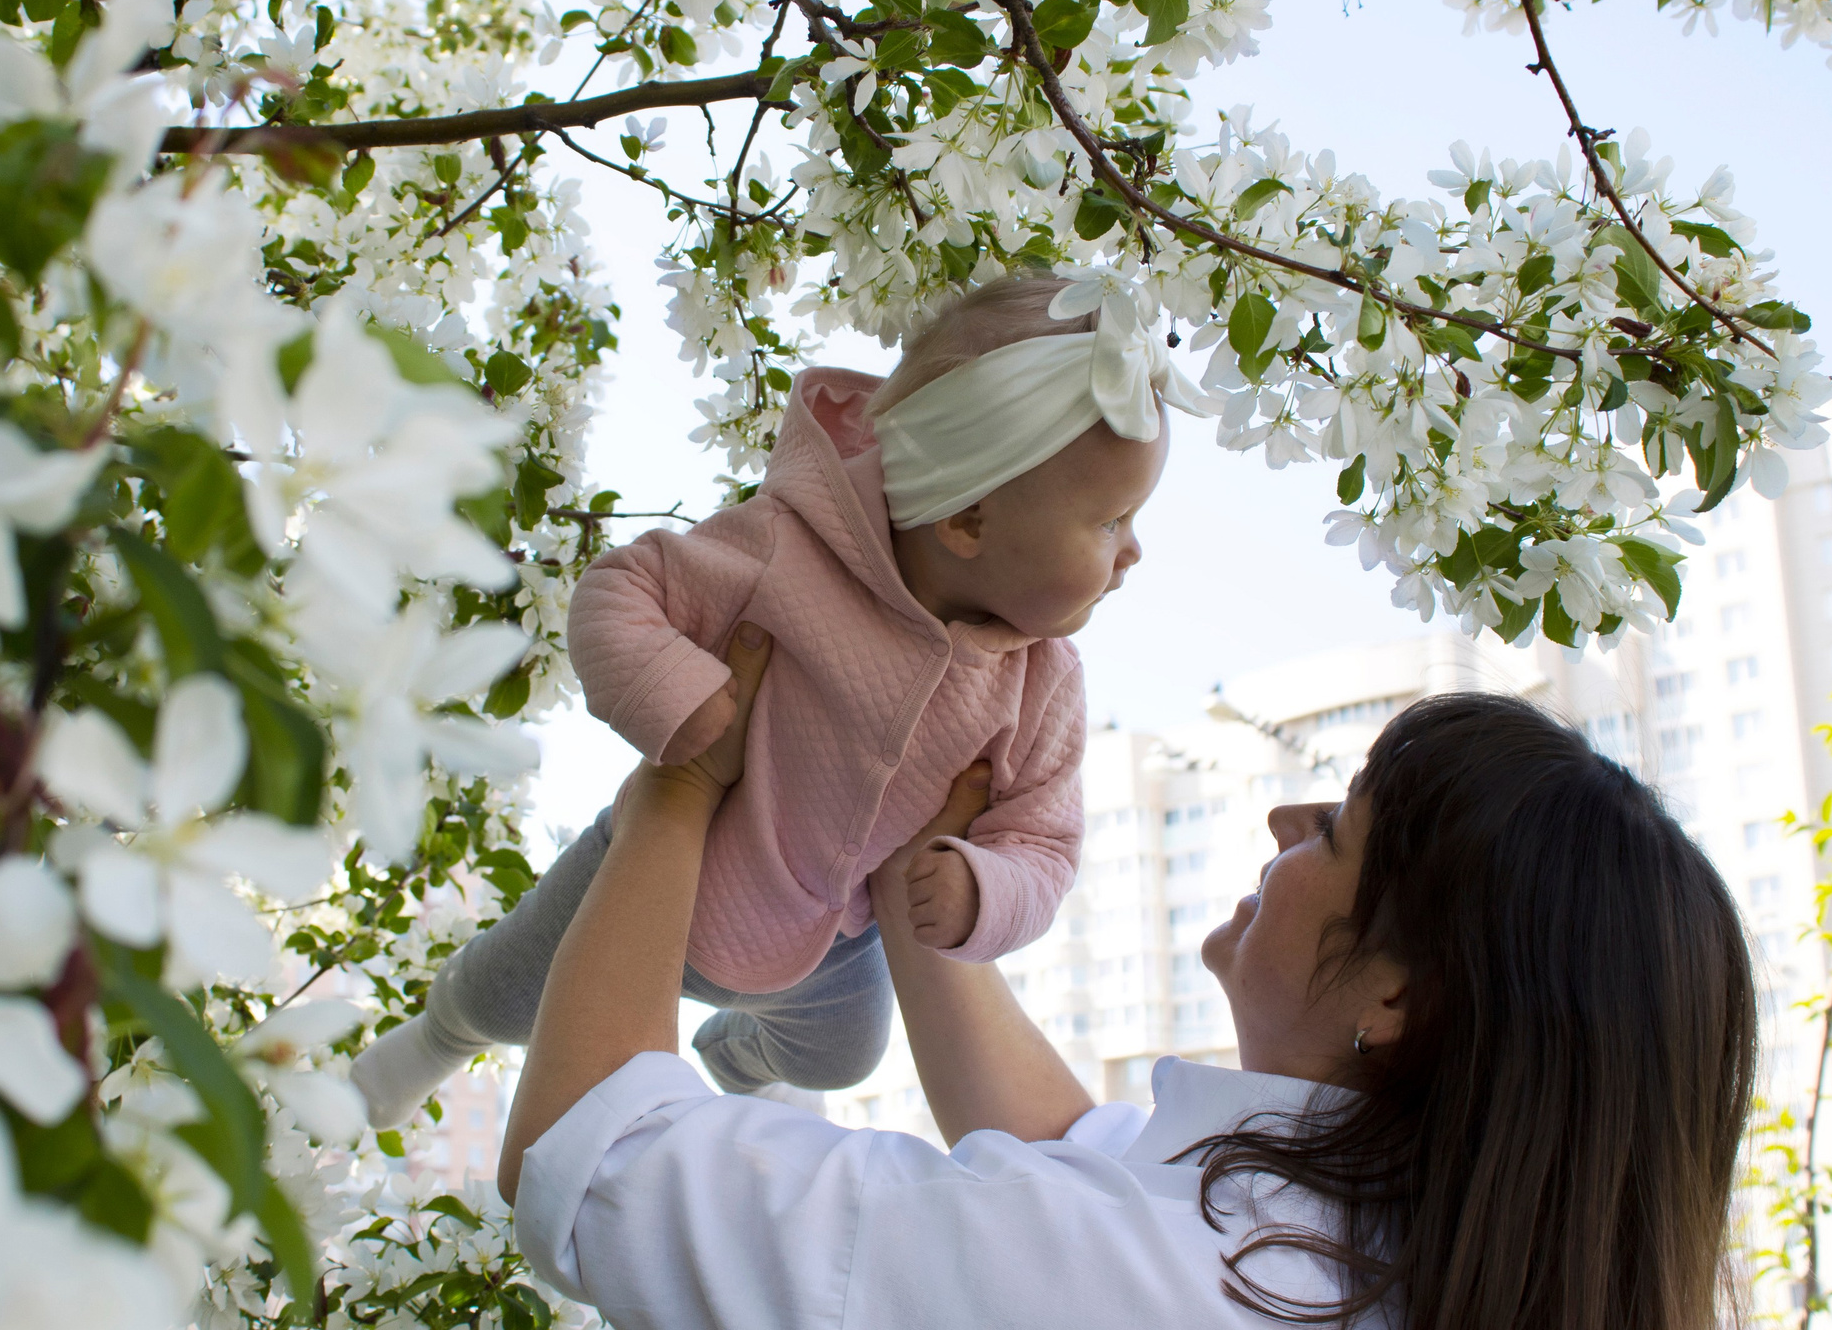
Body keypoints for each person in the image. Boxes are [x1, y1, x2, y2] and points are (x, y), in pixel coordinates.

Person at [500, 626, 1758, 1330]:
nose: (1284, 825)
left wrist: (675, 792)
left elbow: (590, 1143)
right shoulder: (1400, 1292)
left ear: (1397, 996)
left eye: (1335, 829)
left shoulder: (1187, 1311)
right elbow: (1068, 1150)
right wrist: (906, 865)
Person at [352, 274, 1214, 1124]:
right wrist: (672, 692)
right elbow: (622, 590)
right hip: (656, 873)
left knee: (844, 1055)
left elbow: (1043, 841)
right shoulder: (785, 549)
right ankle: (439, 1036)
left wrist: (985, 888)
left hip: (825, 947)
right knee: (512, 987)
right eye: (1110, 522)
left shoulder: (1043, 685)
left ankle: (735, 1053)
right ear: (970, 522)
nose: (1133, 552)